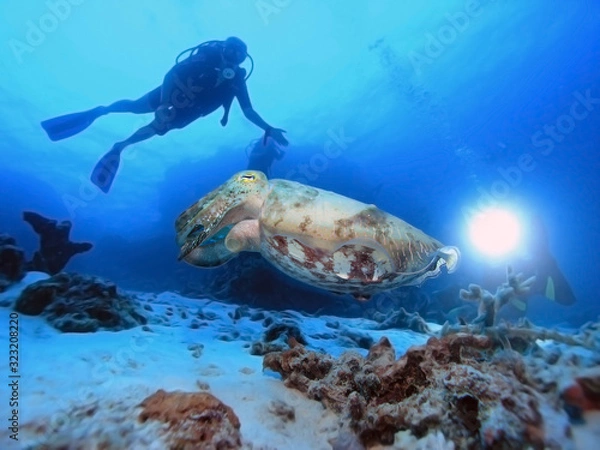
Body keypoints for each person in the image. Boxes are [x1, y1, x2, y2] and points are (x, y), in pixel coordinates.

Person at [41, 37, 288, 193]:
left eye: (239, 56)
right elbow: (171, 74)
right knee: (135, 106)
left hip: (189, 111)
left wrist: (267, 128)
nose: (232, 59)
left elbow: (248, 110)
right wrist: (163, 102)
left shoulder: (237, 80)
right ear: (222, 49)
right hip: (172, 92)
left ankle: (121, 146)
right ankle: (100, 111)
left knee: (157, 129)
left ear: (243, 59)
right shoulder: (205, 58)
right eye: (230, 51)